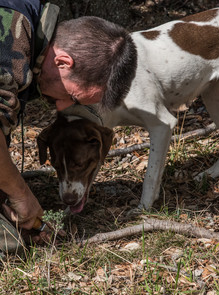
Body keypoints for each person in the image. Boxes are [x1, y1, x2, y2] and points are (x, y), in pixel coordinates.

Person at [0, 0, 137, 255]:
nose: (62, 108)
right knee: (7, 245)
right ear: (63, 62)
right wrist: (20, 194)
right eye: (73, 98)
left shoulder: (29, 33)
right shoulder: (10, 36)